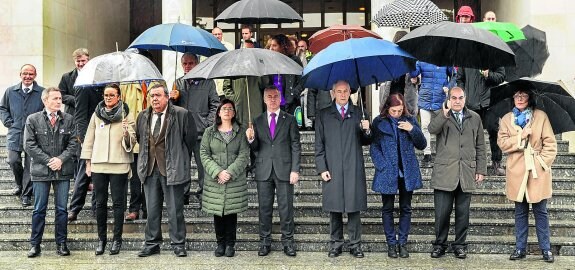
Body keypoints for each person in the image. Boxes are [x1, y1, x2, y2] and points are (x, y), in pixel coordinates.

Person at [136, 84, 197, 257]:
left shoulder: (181, 114)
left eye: (158, 95)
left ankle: (178, 244)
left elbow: (190, 140)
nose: (154, 99)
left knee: (175, 210)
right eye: (152, 96)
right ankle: (152, 243)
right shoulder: (143, 116)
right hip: (149, 169)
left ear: (167, 97)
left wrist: (180, 159)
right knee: (152, 210)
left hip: (172, 168)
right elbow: (141, 139)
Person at [497, 89, 557, 263]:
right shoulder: (507, 119)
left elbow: (551, 145)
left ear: (529, 97)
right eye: (517, 95)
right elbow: (502, 143)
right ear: (513, 98)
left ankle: (546, 249)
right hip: (517, 171)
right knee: (520, 212)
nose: (520, 98)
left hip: (537, 172)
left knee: (541, 212)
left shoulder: (540, 116)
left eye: (523, 95)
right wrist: (520, 136)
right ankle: (520, 248)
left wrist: (540, 163)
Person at [427, 86, 487, 259]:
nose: (457, 101)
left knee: (463, 214)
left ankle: (460, 245)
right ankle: (439, 245)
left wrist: (481, 169)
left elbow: (481, 146)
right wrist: (444, 114)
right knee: (442, 214)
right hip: (445, 173)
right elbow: (431, 129)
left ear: (465, 98)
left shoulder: (475, 118)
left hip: (466, 172)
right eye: (454, 98)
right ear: (449, 99)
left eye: (460, 98)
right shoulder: (442, 115)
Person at [315, 80, 371, 258]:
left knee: (354, 208)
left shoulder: (359, 113)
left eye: (345, 91)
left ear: (350, 92)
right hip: (332, 166)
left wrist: (367, 131)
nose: (342, 94)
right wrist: (322, 167)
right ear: (333, 93)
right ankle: (336, 243)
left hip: (353, 166)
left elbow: (367, 141)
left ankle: (355, 244)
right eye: (339, 91)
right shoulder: (323, 115)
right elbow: (319, 145)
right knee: (335, 208)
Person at [81, 83, 136, 255]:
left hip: (119, 164)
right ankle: (101, 239)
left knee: (119, 204)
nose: (108, 97)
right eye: (106, 95)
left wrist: (127, 133)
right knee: (100, 203)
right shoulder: (97, 114)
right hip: (99, 164)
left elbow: (133, 141)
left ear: (119, 97)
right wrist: (88, 163)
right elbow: (89, 138)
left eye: (112, 95)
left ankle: (117, 240)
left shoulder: (127, 114)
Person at [246, 86, 301, 257]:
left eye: (275, 96)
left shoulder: (290, 119)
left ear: (280, 98)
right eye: (269, 97)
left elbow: (295, 146)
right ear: (264, 99)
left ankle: (288, 242)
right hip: (263, 170)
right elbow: (255, 148)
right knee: (264, 209)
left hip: (284, 169)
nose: (272, 99)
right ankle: (264, 242)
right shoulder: (256, 120)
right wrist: (251, 138)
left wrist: (295, 169)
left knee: (286, 209)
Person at [23, 87, 78, 258]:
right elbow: (29, 145)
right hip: (41, 171)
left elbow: (74, 143)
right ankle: (35, 245)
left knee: (62, 209)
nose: (59, 101)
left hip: (62, 170)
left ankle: (61, 244)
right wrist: (49, 161)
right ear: (45, 101)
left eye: (60, 98)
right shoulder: (33, 119)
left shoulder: (69, 119)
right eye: (55, 98)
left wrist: (60, 159)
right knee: (39, 209)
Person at [370, 93, 426, 259]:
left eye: (400, 110)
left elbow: (422, 144)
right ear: (388, 108)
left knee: (406, 208)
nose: (396, 113)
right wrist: (382, 165)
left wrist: (412, 130)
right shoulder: (379, 122)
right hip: (388, 172)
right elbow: (374, 147)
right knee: (387, 209)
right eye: (394, 110)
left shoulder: (410, 120)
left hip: (406, 172)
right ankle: (391, 244)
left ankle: (402, 243)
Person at [200, 99, 250, 257]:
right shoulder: (209, 132)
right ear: (219, 112)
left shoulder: (241, 132)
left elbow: (244, 155)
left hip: (234, 180)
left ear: (234, 113)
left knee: (231, 213)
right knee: (218, 214)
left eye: (230, 109)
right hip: (215, 180)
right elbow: (204, 154)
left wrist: (229, 172)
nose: (227, 111)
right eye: (224, 109)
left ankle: (230, 244)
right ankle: (220, 243)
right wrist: (218, 172)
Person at [172, 53, 220, 204]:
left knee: (203, 167)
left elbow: (215, 104)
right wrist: (172, 99)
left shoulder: (208, 83)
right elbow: (171, 110)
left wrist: (207, 123)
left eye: (190, 63)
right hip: (183, 133)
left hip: (201, 133)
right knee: (183, 165)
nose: (187, 66)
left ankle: (203, 195)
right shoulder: (177, 83)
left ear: (197, 64)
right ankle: (183, 195)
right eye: (185, 64)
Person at [0, 64, 44, 206]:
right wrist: (8, 122)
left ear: (35, 75)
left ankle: (26, 194)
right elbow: (3, 108)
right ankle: (20, 185)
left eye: (31, 74)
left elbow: (46, 111)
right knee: (13, 160)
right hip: (15, 132)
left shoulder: (42, 92)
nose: (27, 76)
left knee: (30, 164)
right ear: (20, 75)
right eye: (25, 73)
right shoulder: (10, 91)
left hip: (34, 135)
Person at [456, 64, 506, 175]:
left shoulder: (494, 56)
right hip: (471, 103)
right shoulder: (466, 58)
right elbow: (460, 79)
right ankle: (471, 164)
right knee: (471, 134)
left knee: (494, 131)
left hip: (490, 102)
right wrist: (463, 95)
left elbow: (501, 76)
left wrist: (489, 75)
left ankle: (496, 163)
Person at [68, 75, 104, 222]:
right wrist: (82, 140)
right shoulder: (83, 88)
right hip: (88, 138)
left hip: (104, 139)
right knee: (83, 175)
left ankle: (97, 209)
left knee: (99, 176)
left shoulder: (107, 89)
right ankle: (74, 208)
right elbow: (80, 117)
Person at [409, 61, 456, 163]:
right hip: (425, 98)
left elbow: (454, 76)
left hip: (440, 100)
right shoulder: (421, 60)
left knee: (441, 128)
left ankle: (442, 152)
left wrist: (449, 86)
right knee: (425, 126)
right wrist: (410, 63)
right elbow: (413, 74)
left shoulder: (446, 59)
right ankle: (427, 153)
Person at [266, 34, 303, 115]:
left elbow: (302, 81)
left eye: (274, 45)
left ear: (282, 46)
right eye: (270, 46)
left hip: (291, 103)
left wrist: (294, 94)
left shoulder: (294, 60)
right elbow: (268, 82)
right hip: (275, 102)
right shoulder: (270, 62)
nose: (271, 48)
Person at [58, 48, 90, 115]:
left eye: (83, 60)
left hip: (90, 113)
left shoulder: (95, 76)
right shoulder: (66, 77)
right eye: (78, 61)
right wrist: (75, 100)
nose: (81, 64)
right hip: (72, 114)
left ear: (88, 60)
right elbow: (60, 95)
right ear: (74, 61)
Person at [210, 27, 234, 100]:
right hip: (212, 84)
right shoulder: (208, 47)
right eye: (215, 34)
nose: (217, 36)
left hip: (225, 83)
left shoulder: (229, 47)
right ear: (212, 35)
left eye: (219, 34)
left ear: (222, 35)